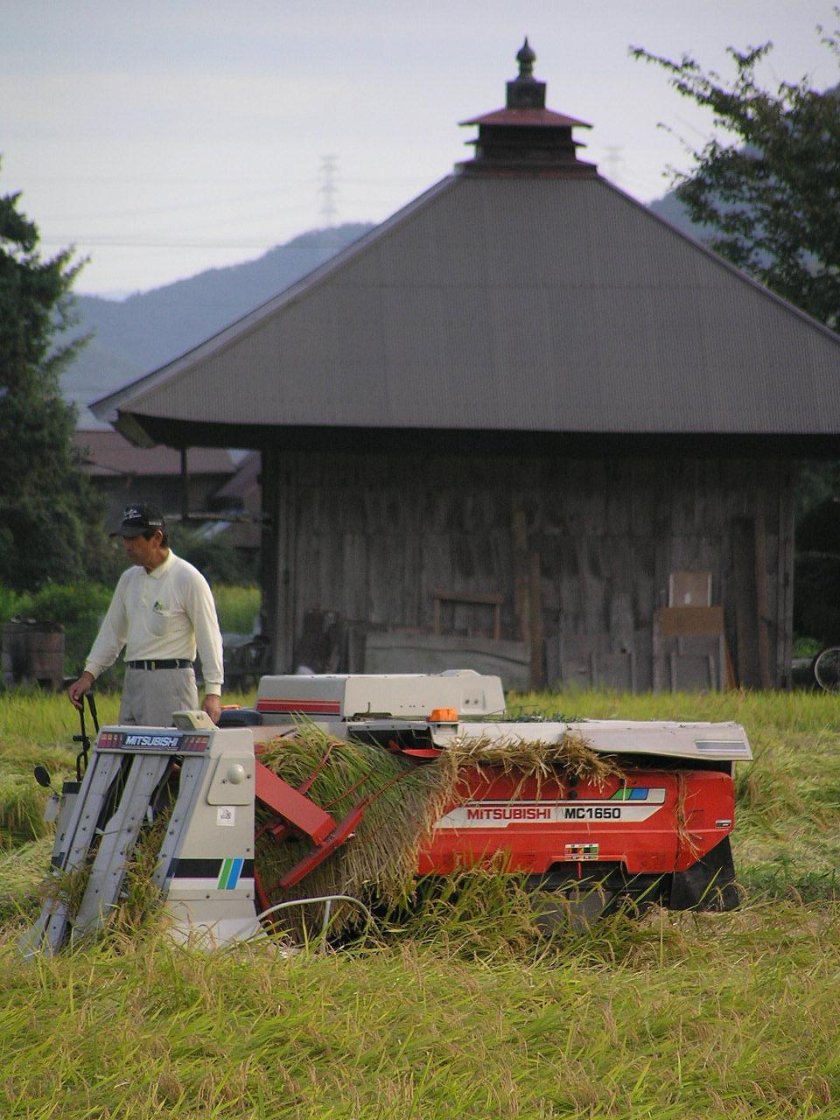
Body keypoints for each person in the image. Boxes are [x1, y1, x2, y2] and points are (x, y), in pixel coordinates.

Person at [68, 503, 224, 726]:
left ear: (156, 538)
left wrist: (213, 692)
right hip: (133, 681)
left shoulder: (187, 578)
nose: (127, 545)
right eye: (124, 538)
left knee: (165, 758)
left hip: (170, 683)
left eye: (133, 538)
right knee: (128, 757)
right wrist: (88, 675)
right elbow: (112, 633)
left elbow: (209, 636)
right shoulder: (129, 579)